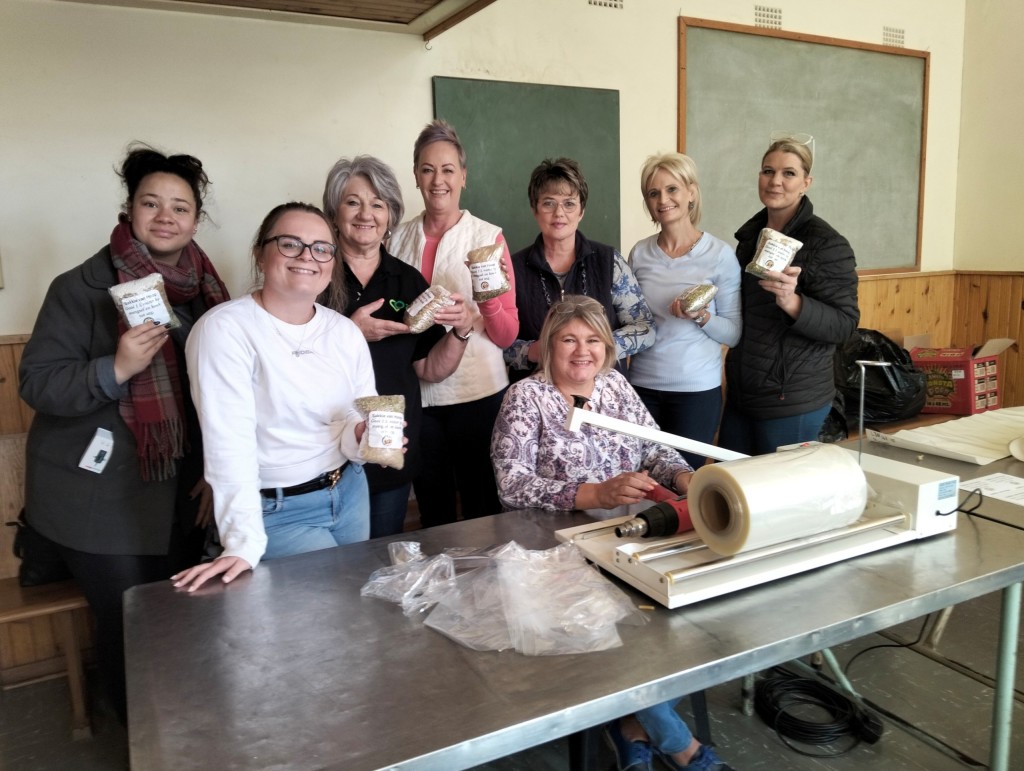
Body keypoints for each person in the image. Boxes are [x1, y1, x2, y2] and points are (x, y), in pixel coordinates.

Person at [19, 144, 229, 721]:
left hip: (182, 492)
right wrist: (115, 369)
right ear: (129, 210)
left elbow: (224, 397)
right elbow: (36, 382)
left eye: (181, 207)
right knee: (129, 626)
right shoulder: (80, 288)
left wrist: (219, 473)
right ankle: (139, 738)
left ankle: (184, 734)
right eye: (151, 203)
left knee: (183, 617)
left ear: (196, 218)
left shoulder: (208, 290)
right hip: (98, 500)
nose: (166, 216)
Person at [490, 296, 730, 771]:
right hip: (551, 546)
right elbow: (511, 483)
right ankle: (679, 744)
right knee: (611, 627)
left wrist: (690, 481)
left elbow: (657, 452)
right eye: (569, 339)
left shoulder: (616, 387)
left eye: (594, 340)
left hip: (627, 535)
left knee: (678, 622)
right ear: (548, 345)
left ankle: (630, 727)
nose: (583, 351)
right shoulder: (526, 398)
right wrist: (593, 494)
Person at [172, 202, 376, 592]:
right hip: (277, 511)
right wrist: (243, 543)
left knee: (352, 610)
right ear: (260, 255)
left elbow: (352, 428)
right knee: (319, 620)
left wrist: (365, 436)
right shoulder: (225, 330)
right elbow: (228, 443)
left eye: (321, 248)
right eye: (290, 244)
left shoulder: (344, 332)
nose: (307, 257)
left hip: (350, 492)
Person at [320, 155, 472, 537]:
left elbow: (429, 369)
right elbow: (286, 357)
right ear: (334, 212)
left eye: (378, 204)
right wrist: (351, 333)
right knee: (326, 574)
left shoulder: (407, 281)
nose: (366, 214)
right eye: (353, 202)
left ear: (390, 215)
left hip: (388, 447)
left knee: (379, 560)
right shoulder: (313, 272)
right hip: (322, 451)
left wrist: (461, 333)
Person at [389, 119, 519, 527]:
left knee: (482, 505)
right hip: (419, 394)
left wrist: (477, 313)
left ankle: (488, 589)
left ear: (463, 176)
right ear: (415, 175)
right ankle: (440, 588)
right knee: (434, 507)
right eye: (428, 169)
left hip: (477, 395)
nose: (438, 180)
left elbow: (507, 334)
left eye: (448, 170)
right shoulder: (394, 239)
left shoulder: (487, 238)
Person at [719, 134, 859, 455]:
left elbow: (844, 325)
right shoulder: (749, 239)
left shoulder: (827, 244)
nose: (775, 181)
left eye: (788, 173)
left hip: (792, 399)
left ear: (806, 183)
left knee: (778, 498)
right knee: (732, 488)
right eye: (768, 171)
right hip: (743, 393)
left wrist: (792, 302)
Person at [627, 153, 741, 469]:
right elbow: (630, 320)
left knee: (684, 488)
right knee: (642, 484)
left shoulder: (719, 256)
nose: (663, 200)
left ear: (691, 192)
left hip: (696, 394)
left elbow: (733, 333)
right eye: (653, 193)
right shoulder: (639, 253)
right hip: (641, 389)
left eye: (672, 189)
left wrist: (701, 316)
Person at [505, 157, 655, 383]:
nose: (559, 213)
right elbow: (498, 344)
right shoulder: (512, 269)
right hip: (537, 398)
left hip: (602, 393)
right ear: (535, 209)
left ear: (581, 211)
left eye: (569, 203)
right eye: (548, 203)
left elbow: (645, 328)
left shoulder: (608, 261)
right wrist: (535, 351)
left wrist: (598, 348)